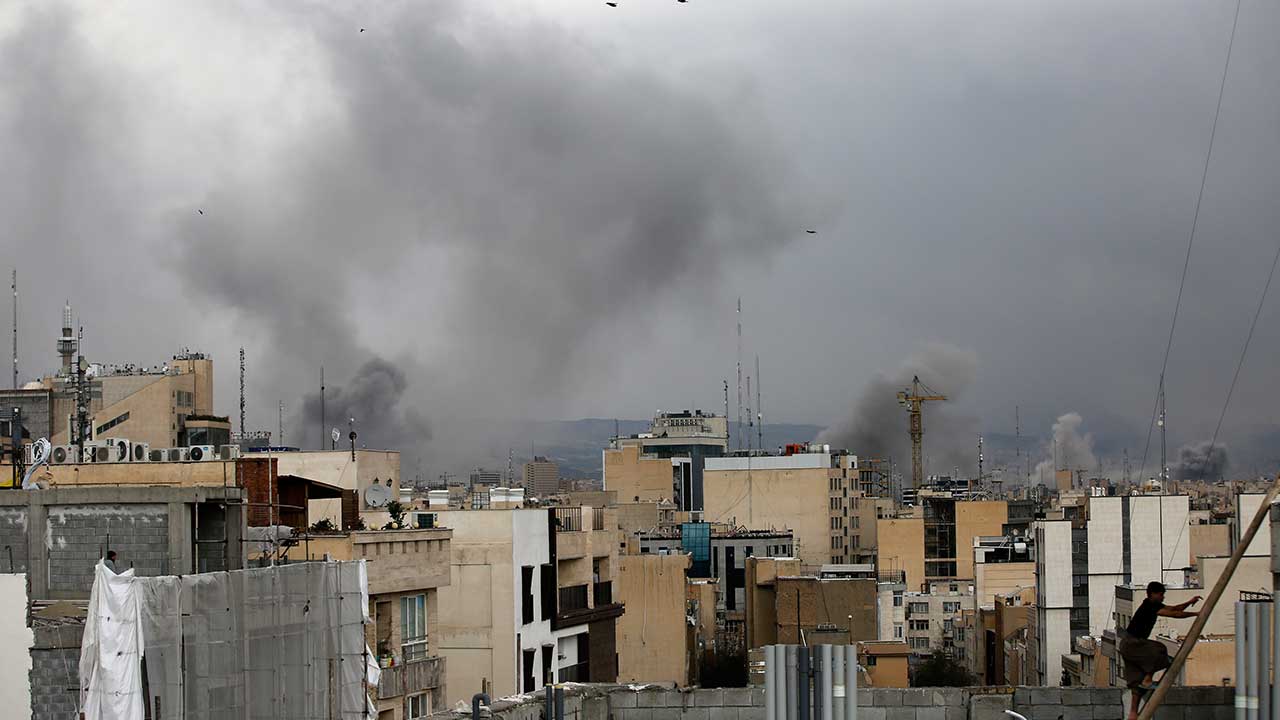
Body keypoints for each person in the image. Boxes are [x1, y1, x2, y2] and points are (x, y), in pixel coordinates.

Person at [1119, 581, 1201, 720]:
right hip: (1133, 643)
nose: (1163, 597)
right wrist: (1196, 614)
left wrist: (1190, 602)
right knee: (1159, 649)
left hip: (1128, 646)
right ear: (1152, 594)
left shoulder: (1153, 605)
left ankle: (1133, 714)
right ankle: (1148, 678)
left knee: (1136, 682)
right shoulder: (1149, 606)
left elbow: (1175, 609)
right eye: (1161, 594)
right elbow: (1174, 614)